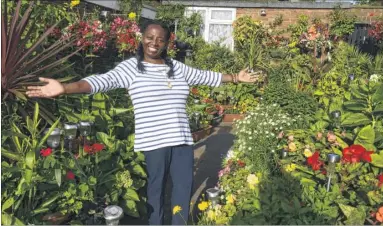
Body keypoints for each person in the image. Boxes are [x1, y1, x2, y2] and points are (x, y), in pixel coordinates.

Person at [26, 21, 258, 225]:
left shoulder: (176, 67)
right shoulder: (130, 68)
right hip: (154, 142)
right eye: (150, 37)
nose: (154, 43)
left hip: (182, 141)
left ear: (167, 43)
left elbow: (206, 76)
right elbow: (100, 82)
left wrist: (236, 77)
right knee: (155, 192)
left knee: (183, 188)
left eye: (160, 39)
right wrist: (65, 88)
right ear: (142, 39)